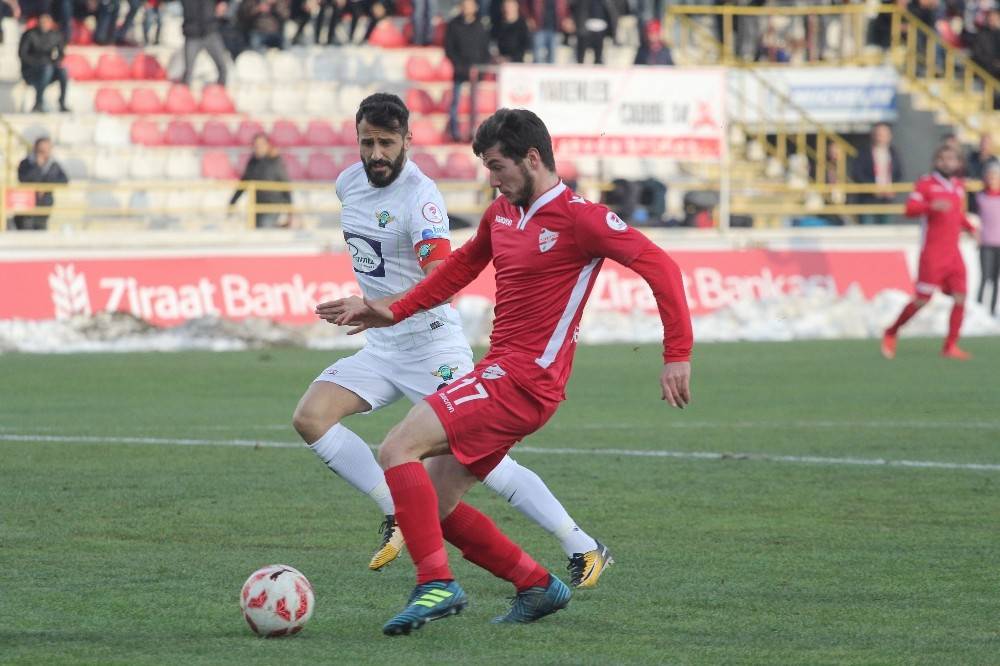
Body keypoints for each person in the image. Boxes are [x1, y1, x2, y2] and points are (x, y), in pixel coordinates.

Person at [319, 108, 692, 634]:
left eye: (498, 167)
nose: (493, 180)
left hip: (527, 382)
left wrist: (676, 354)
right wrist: (388, 309)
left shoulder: (581, 218)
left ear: (532, 158)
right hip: (501, 373)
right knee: (435, 501)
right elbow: (461, 268)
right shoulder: (502, 214)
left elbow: (662, 267)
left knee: (397, 448)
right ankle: (536, 585)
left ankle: (435, 584)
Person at [294, 93, 612, 584]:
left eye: (386, 142)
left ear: (407, 141)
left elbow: (441, 273)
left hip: (430, 347)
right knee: (310, 417)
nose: (375, 154)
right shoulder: (347, 184)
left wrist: (381, 306)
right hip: (382, 346)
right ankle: (395, 508)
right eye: (366, 142)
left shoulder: (420, 197)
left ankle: (582, 545)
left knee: (484, 462)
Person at [882, 144, 978, 361]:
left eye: (952, 159)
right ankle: (891, 331)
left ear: (958, 163)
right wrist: (931, 206)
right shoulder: (926, 184)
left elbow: (957, 215)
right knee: (922, 300)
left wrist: (971, 228)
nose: (947, 163)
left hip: (954, 254)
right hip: (933, 254)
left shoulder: (957, 185)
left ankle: (950, 346)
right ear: (937, 161)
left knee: (961, 297)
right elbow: (909, 209)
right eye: (943, 159)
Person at [444, 0, 490, 142]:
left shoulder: (481, 26)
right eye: (464, 4)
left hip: (476, 72)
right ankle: (454, 132)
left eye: (470, 4)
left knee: (474, 105)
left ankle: (473, 132)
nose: (467, 7)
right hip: (459, 70)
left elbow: (485, 50)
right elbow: (449, 49)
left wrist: (480, 69)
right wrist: (460, 66)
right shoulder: (453, 24)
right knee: (455, 103)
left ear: (475, 7)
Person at [229, 133, 292, 228]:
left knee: (265, 229)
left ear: (267, 145)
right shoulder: (252, 162)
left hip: (272, 206)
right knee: (257, 231)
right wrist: (233, 202)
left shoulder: (274, 161)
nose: (258, 147)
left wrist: (290, 211)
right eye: (256, 144)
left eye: (261, 144)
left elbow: (285, 185)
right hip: (256, 206)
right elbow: (244, 183)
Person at [850, 122, 903, 225]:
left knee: (886, 231)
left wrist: (892, 188)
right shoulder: (863, 152)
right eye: (878, 134)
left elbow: (898, 173)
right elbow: (857, 174)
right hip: (868, 199)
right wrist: (872, 188)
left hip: (887, 199)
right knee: (867, 231)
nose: (881, 137)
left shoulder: (893, 152)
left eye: (884, 134)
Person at [14, 137, 69, 231]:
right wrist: (37, 166)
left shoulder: (53, 164)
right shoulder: (26, 163)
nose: (45, 152)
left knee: (40, 228)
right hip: (27, 204)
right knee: (25, 229)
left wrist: (46, 186)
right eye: (42, 150)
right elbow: (23, 178)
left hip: (44, 203)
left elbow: (64, 180)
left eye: (48, 149)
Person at [18, 13, 70, 113]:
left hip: (48, 68)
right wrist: (38, 63)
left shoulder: (55, 35)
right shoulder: (29, 34)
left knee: (63, 71)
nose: (44, 24)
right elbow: (22, 54)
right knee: (47, 69)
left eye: (47, 22)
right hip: (31, 71)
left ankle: (62, 102)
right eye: (42, 22)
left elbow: (61, 53)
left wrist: (54, 62)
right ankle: (38, 103)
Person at [180, 0, 229, 86]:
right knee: (188, 71)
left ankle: (220, 92)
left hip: (210, 32)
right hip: (192, 34)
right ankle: (184, 96)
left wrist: (223, 3)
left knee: (223, 67)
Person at [974, 162, 1000, 316]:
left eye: (995, 176)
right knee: (985, 278)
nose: (992, 179)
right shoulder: (979, 197)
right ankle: (977, 311)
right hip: (985, 243)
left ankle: (991, 311)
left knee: (996, 280)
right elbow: (974, 219)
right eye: (990, 176)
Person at [568, 0, 618, 65]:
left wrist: (612, 32)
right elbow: (574, 9)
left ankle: (597, 67)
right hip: (584, 28)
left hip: (600, 27)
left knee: (598, 54)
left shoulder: (605, 2)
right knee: (581, 55)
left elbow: (610, 14)